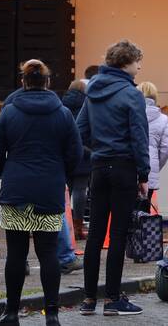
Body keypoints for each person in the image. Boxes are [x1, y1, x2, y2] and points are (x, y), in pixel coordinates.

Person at [0, 60, 83, 326]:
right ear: (48, 82)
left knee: (16, 254)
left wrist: (8, 172)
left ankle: (11, 313)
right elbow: (75, 153)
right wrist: (60, 175)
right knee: (49, 252)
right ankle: (51, 314)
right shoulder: (63, 113)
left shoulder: (9, 112)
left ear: (23, 81)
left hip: (17, 189)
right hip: (48, 189)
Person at [76, 40, 150, 317]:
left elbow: (79, 130)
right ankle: (112, 298)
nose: (139, 66)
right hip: (124, 168)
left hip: (99, 167)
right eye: (137, 61)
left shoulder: (92, 90)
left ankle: (87, 299)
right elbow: (139, 137)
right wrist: (143, 173)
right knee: (117, 234)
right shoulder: (132, 95)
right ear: (125, 63)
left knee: (95, 234)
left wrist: (98, 149)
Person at [61, 79, 90, 240]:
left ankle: (65, 226)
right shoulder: (87, 104)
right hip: (84, 152)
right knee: (80, 190)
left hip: (66, 153)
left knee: (66, 191)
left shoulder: (61, 104)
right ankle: (78, 227)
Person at [138, 82, 168, 206]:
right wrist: (156, 164)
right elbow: (167, 147)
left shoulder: (129, 112)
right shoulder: (162, 119)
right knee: (144, 211)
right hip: (150, 168)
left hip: (128, 168)